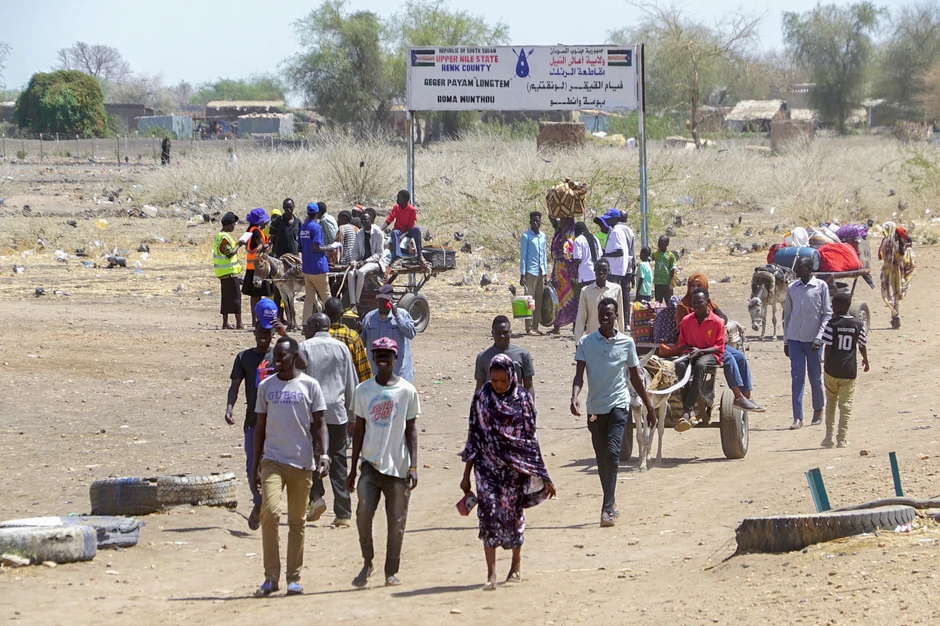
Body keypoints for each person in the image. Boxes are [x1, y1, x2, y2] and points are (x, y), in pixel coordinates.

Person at [461, 354, 555, 591]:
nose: (499, 385)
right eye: (494, 381)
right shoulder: (481, 398)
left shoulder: (523, 400)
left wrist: (542, 474)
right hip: (486, 468)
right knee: (488, 514)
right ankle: (491, 573)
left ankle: (515, 565)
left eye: (503, 381)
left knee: (513, 515)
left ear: (512, 377)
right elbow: (474, 436)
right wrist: (465, 475)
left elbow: (531, 439)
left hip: (514, 469)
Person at [252, 336, 330, 597]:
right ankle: (270, 577)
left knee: (297, 521)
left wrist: (325, 455)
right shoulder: (266, 387)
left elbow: (320, 424)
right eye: (276, 355)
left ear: (295, 356)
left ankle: (293, 578)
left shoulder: (310, 386)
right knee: (270, 514)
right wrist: (254, 467)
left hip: (302, 462)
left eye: (283, 355)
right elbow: (260, 428)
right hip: (273, 460)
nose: (277, 359)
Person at [571, 297, 655, 527]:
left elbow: (635, 378)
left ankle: (606, 509)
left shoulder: (627, 343)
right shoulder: (586, 343)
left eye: (609, 314)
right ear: (597, 316)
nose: (605, 317)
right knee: (601, 457)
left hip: (618, 404)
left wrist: (648, 406)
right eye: (602, 314)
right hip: (595, 408)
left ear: (616, 316)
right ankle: (611, 499)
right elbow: (579, 376)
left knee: (612, 453)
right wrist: (574, 396)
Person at [347, 337, 420, 588]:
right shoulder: (363, 390)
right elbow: (358, 431)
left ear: (395, 358)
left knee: (396, 522)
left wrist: (413, 466)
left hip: (398, 467)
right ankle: (367, 561)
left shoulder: (407, 391)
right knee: (363, 513)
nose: (382, 358)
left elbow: (411, 430)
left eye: (387, 354)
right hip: (370, 464)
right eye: (378, 354)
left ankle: (391, 571)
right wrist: (352, 469)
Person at [300, 313, 357, 527]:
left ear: (315, 325)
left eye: (308, 325)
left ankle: (316, 498)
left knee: (311, 457)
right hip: (337, 412)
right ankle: (343, 513)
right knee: (339, 461)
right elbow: (350, 382)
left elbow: (300, 381)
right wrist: (351, 414)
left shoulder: (305, 347)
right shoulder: (341, 348)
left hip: (313, 414)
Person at [224, 321, 275, 531]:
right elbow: (235, 386)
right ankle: (258, 500)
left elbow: (300, 365)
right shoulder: (244, 357)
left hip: (278, 420)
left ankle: (265, 504)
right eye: (259, 331)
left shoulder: (279, 354)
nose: (263, 335)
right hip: (253, 420)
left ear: (272, 334)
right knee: (253, 464)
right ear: (254, 333)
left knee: (273, 464)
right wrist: (229, 408)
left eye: (267, 332)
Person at [783, 257, 832, 430]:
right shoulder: (792, 288)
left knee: (815, 377)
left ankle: (818, 410)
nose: (797, 270)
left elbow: (827, 314)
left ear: (810, 268)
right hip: (795, 338)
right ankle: (797, 417)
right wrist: (786, 340)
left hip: (813, 341)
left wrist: (820, 338)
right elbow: (787, 315)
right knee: (797, 378)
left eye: (801, 267)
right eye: (796, 267)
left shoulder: (820, 287)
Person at [820, 292, 869, 448]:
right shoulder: (858, 325)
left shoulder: (832, 324)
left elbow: (827, 347)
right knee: (846, 405)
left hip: (831, 370)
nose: (832, 308)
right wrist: (865, 360)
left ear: (841, 306)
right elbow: (862, 345)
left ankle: (828, 437)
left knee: (831, 402)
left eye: (833, 305)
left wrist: (826, 365)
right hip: (848, 371)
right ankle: (842, 438)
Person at [360, 285, 417, 383]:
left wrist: (397, 317)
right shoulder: (369, 317)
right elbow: (363, 343)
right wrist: (359, 331)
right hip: (376, 373)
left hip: (399, 372)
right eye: (379, 301)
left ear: (391, 301)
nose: (382, 304)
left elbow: (411, 334)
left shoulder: (402, 314)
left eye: (385, 301)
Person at [475, 315, 536, 398]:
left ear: (510, 332)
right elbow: (479, 387)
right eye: (498, 333)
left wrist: (530, 407)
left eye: (505, 332)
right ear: (492, 333)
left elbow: (528, 386)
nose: (502, 336)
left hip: (515, 404)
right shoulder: (483, 357)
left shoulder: (523, 355)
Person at [324, 297, 373, 384]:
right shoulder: (352, 337)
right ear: (342, 314)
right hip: (347, 387)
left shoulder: (318, 336)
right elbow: (362, 367)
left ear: (324, 313)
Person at [574, 258, 624, 340]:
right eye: (598, 270)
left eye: (604, 270)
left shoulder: (616, 289)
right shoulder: (586, 291)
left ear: (609, 271)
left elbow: (620, 316)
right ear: (594, 270)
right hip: (593, 339)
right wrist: (578, 341)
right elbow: (581, 317)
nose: (601, 273)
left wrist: (621, 338)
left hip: (612, 339)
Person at [878, 221, 916, 329]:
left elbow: (882, 254)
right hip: (899, 271)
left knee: (886, 293)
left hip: (888, 271)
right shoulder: (900, 242)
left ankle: (894, 314)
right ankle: (896, 313)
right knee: (896, 294)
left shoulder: (887, 241)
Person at [548, 214, 579, 335]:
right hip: (558, 271)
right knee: (556, 298)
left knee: (573, 299)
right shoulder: (558, 231)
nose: (563, 223)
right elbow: (552, 219)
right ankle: (557, 326)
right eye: (562, 221)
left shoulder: (574, 233)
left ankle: (575, 326)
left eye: (565, 221)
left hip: (569, 271)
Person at [299, 202, 331, 322]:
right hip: (318, 267)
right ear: (317, 213)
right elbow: (316, 247)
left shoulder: (303, 227)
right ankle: (332, 321)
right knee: (326, 296)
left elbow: (300, 247)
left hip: (307, 268)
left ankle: (305, 324)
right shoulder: (316, 227)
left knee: (309, 298)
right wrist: (329, 248)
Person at [348, 210, 386, 308]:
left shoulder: (378, 233)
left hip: (375, 262)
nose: (363, 222)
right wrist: (353, 260)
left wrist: (365, 261)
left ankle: (357, 302)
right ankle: (352, 303)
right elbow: (355, 250)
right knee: (350, 273)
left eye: (366, 220)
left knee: (361, 272)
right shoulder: (360, 233)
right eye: (362, 220)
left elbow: (379, 253)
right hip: (361, 261)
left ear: (371, 220)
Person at [242, 208, 274, 326]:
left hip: (251, 267)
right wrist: (267, 245)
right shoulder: (256, 231)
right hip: (259, 268)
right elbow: (261, 245)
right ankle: (262, 319)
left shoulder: (249, 230)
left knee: (254, 296)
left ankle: (254, 320)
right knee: (263, 295)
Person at [519, 211, 549, 335]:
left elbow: (544, 255)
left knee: (539, 300)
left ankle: (536, 326)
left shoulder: (543, 236)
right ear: (530, 222)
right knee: (529, 300)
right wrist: (522, 274)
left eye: (538, 221)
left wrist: (546, 272)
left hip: (541, 271)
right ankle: (529, 327)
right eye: (534, 221)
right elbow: (523, 257)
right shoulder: (526, 236)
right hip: (530, 272)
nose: (536, 223)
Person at [214, 211, 244, 330]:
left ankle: (225, 322)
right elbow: (229, 253)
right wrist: (239, 245)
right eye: (233, 224)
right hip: (229, 272)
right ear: (227, 225)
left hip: (223, 273)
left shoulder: (220, 236)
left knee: (226, 298)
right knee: (236, 297)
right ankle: (239, 323)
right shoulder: (224, 237)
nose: (234, 226)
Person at [602, 209, 636, 315]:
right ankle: (625, 320)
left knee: (614, 293)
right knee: (625, 293)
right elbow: (633, 251)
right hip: (628, 265)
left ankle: (617, 316)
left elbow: (620, 250)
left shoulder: (615, 231)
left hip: (617, 266)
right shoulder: (630, 231)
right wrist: (634, 269)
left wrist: (605, 254)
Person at [384, 190, 425, 266]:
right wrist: (380, 228)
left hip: (408, 231)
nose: (397, 200)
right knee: (394, 233)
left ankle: (419, 255)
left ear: (405, 200)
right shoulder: (396, 207)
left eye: (399, 198)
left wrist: (403, 236)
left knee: (417, 229)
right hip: (398, 230)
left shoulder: (412, 210)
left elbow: (410, 227)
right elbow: (389, 219)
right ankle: (398, 257)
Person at [572, 221, 601, 287]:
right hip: (596, 273)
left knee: (585, 296)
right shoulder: (595, 238)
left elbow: (577, 259)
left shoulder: (578, 240)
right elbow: (600, 254)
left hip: (585, 275)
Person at [652, 235, 677, 303]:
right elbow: (649, 258)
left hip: (666, 284)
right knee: (658, 303)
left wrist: (670, 283)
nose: (659, 244)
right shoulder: (656, 254)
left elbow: (672, 269)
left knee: (669, 303)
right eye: (659, 242)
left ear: (667, 244)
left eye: (662, 242)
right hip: (658, 283)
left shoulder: (670, 255)